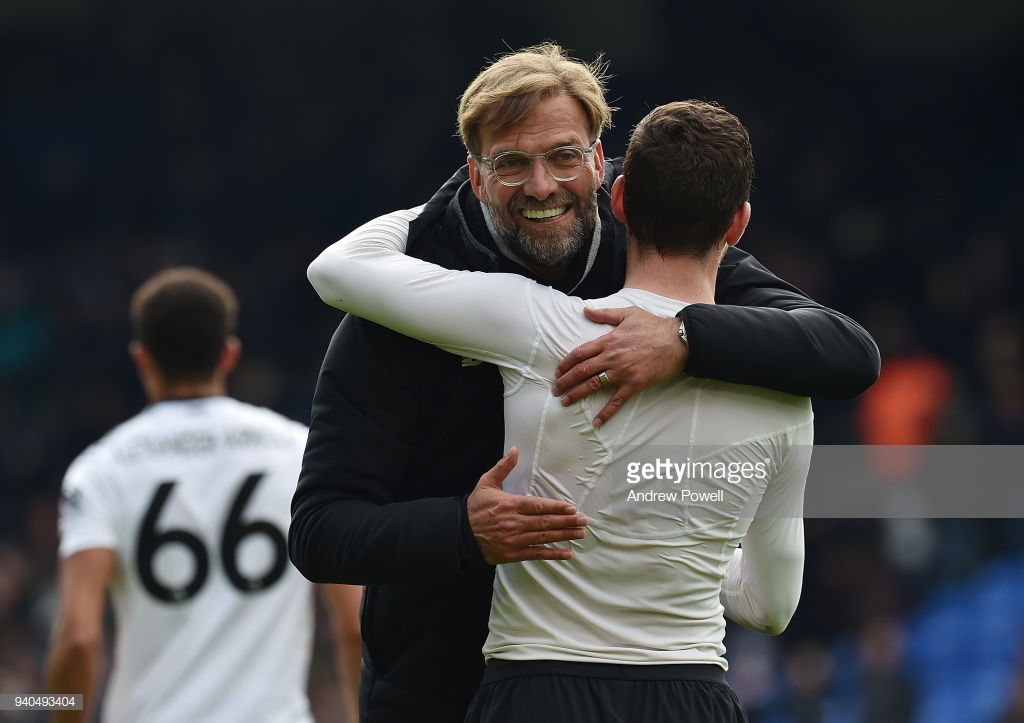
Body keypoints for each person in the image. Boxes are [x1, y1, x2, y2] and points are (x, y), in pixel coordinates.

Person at [289, 43, 878, 722]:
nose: (541, 186)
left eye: (564, 157)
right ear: (474, 178)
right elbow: (319, 531)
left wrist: (684, 337)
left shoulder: (645, 237)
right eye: (511, 163)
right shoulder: (400, 306)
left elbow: (848, 350)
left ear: (605, 169)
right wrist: (460, 529)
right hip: (433, 692)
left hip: (563, 684)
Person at [45, 267, 363, 723]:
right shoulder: (299, 453)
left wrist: (49, 709)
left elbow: (78, 639)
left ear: (142, 359)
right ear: (229, 355)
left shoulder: (100, 470)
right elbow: (354, 623)